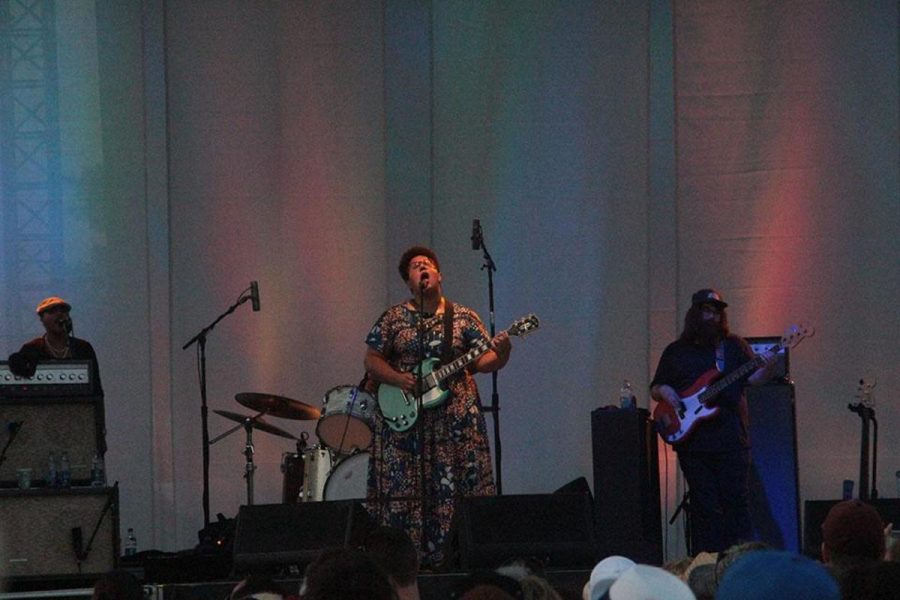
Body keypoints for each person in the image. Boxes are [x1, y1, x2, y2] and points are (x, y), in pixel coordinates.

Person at [363, 246, 512, 565]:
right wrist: (399, 379)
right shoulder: (393, 318)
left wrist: (503, 351)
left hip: (455, 425)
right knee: (407, 495)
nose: (423, 269)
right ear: (409, 281)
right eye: (416, 267)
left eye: (427, 264)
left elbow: (485, 361)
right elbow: (371, 360)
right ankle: (403, 560)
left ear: (439, 275)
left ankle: (459, 558)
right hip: (405, 429)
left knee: (459, 491)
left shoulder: (463, 317)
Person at [650, 289, 778, 553]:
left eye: (717, 312)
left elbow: (753, 379)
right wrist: (665, 391)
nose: (713, 317)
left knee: (736, 503)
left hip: (731, 440)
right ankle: (707, 564)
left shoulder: (733, 346)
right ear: (695, 314)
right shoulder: (676, 351)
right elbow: (655, 387)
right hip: (693, 444)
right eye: (708, 311)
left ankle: (740, 562)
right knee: (704, 505)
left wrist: (768, 366)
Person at [9, 296, 106, 453]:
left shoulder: (83, 348)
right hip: (42, 424)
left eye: (64, 311)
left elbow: (97, 391)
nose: (60, 315)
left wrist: (100, 429)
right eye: (52, 311)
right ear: (42, 319)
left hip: (78, 423)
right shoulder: (32, 348)